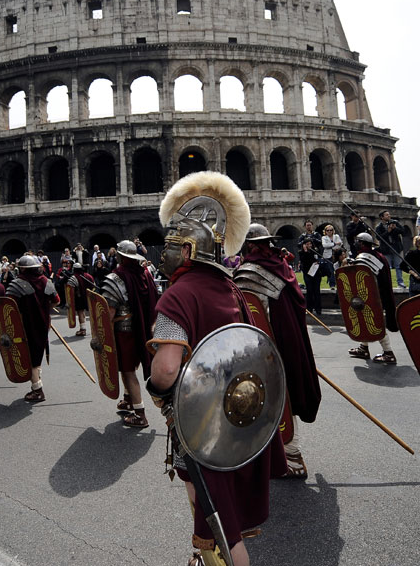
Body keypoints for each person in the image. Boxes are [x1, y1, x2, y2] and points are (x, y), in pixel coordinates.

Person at [147, 171, 285, 566]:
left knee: (216, 514)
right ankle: (202, 554)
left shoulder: (177, 296)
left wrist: (157, 391)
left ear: (189, 251)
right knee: (218, 505)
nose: (165, 254)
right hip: (233, 416)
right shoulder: (232, 288)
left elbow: (166, 370)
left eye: (173, 246)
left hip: (198, 420)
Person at [235, 224, 322, 479]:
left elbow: (251, 314)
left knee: (278, 395)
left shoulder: (248, 273)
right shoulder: (282, 266)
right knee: (287, 390)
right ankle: (276, 452)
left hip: (269, 345)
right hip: (289, 339)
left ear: (249, 245)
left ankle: (292, 455)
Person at [99, 240, 158, 428]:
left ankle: (140, 414)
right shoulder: (145, 274)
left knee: (127, 370)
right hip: (143, 328)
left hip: (125, 332)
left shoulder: (116, 278)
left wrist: (100, 335)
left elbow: (109, 313)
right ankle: (128, 399)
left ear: (120, 256)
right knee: (130, 366)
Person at [5, 255, 58, 402]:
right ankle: (37, 381)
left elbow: (9, 307)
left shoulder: (17, 284)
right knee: (37, 353)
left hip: (25, 325)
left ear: (22, 268)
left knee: (30, 358)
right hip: (43, 323)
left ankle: (37, 390)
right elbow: (56, 301)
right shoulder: (46, 281)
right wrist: (44, 309)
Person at [347, 232, 399, 364]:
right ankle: (363, 348)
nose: (355, 243)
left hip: (371, 296)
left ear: (362, 243)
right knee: (363, 319)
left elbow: (365, 279)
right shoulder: (378, 255)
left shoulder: (364, 257)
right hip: (375, 294)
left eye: (357, 241)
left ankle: (388, 352)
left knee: (374, 322)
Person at [375, 210, 407, 288]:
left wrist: (395, 228)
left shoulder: (395, 223)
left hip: (396, 248)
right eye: (386, 215)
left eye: (389, 214)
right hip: (386, 249)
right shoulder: (379, 227)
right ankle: (388, 283)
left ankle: (400, 282)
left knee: (398, 266)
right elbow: (378, 237)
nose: (389, 216)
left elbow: (403, 232)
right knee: (387, 267)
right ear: (382, 217)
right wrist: (388, 231)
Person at [66, 262, 95, 336]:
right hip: (89, 297)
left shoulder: (74, 278)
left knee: (80, 313)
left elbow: (70, 290)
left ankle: (83, 330)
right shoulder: (89, 276)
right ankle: (93, 329)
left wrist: (69, 301)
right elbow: (93, 286)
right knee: (87, 313)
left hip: (79, 298)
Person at [297, 238, 321, 315]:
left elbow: (318, 259)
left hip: (316, 273)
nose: (309, 245)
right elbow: (304, 261)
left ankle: (318, 308)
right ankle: (309, 308)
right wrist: (306, 251)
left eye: (310, 244)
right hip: (307, 273)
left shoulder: (315, 251)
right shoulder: (301, 252)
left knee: (316, 291)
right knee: (309, 290)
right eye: (307, 244)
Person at [320, 224, 342, 289]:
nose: (329, 231)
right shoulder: (324, 237)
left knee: (338, 269)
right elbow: (324, 245)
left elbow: (340, 244)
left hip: (336, 255)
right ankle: (332, 285)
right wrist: (334, 244)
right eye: (328, 230)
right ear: (325, 231)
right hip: (328, 256)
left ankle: (340, 284)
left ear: (333, 231)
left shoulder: (336, 236)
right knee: (330, 270)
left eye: (331, 230)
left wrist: (331, 245)